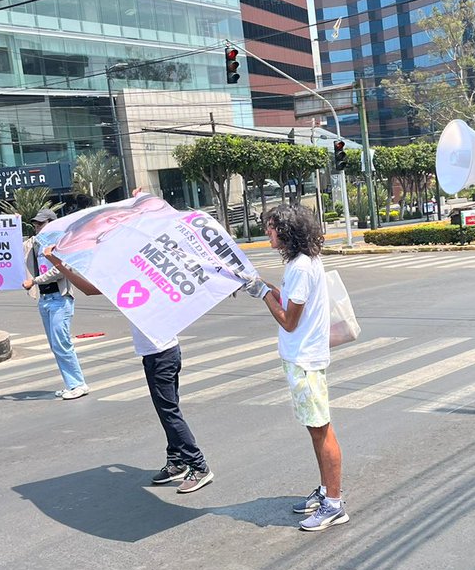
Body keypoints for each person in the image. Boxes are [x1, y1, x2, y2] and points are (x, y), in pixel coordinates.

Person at [41, 243, 214, 493]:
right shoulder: (144, 276)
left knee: (169, 412)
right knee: (169, 410)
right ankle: (176, 460)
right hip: (163, 351)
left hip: (161, 354)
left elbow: (89, 290)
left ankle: (198, 466)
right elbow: (92, 287)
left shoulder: (136, 279)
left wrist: (58, 263)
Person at [243, 203, 346, 532]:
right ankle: (326, 491)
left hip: (304, 360)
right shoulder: (305, 262)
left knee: (321, 429)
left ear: (285, 231)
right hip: (304, 358)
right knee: (316, 430)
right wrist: (267, 288)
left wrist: (262, 295)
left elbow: (288, 320)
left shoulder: (300, 267)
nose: (268, 233)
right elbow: (289, 302)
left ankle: (333, 503)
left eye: (271, 227)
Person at [23, 208, 88, 400]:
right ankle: (71, 384)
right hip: (44, 299)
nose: (37, 227)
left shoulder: (61, 245)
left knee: (62, 343)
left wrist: (35, 281)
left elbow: (60, 271)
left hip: (60, 299)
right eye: (35, 224)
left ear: (52, 223)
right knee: (55, 345)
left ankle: (78, 384)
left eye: (41, 224)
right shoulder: (35, 244)